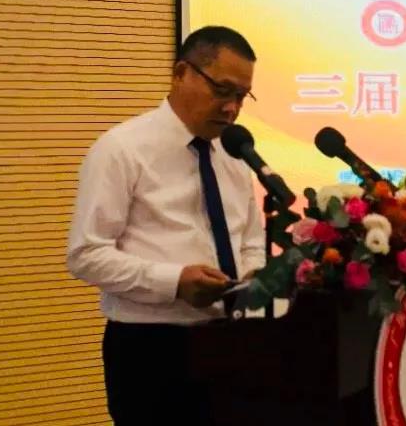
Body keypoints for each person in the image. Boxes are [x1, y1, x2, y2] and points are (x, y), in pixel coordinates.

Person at [68, 26, 264, 426]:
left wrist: (251, 278)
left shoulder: (235, 155)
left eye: (242, 96)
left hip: (231, 341)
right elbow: (86, 254)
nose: (231, 108)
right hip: (150, 350)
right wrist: (175, 281)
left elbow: (250, 241)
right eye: (222, 90)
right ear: (181, 73)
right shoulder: (121, 149)